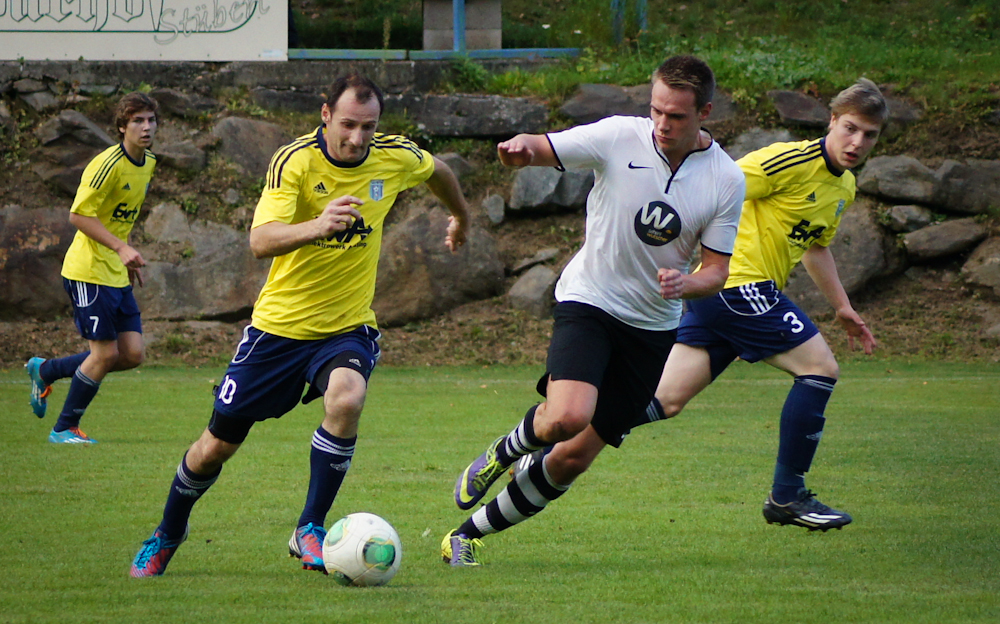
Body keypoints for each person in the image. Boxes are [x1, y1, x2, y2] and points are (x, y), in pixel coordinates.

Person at [129, 73, 470, 578]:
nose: (357, 137)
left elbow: (437, 169)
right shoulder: (295, 161)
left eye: (368, 127)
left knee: (347, 398)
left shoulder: (394, 157)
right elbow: (260, 240)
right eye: (348, 124)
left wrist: (461, 216)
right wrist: (318, 225)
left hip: (346, 327)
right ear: (326, 114)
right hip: (278, 331)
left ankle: (309, 526)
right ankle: (167, 533)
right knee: (214, 448)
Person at [516, 78, 887, 533]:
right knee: (821, 369)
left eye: (869, 135)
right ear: (831, 121)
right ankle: (787, 495)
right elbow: (715, 184)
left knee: (664, 399)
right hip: (738, 286)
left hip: (722, 298)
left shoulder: (843, 186)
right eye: (850, 128)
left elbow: (815, 246)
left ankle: (552, 443)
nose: (857, 142)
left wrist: (842, 307)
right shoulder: (790, 161)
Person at [443, 55, 745, 566]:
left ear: (705, 113)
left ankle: (465, 536)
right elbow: (547, 146)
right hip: (591, 301)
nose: (662, 124)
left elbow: (717, 270)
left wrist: (687, 283)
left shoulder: (726, 179)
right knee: (567, 416)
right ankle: (504, 451)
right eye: (656, 110)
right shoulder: (619, 136)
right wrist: (521, 151)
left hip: (651, 329)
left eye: (676, 116)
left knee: (572, 458)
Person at [25, 92, 159, 444]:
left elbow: (119, 217)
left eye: (151, 120)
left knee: (131, 354)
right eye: (137, 121)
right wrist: (120, 247)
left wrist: (125, 255)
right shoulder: (106, 164)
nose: (146, 127)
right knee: (104, 354)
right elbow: (79, 215)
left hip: (114, 271)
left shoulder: (148, 163)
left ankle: (46, 370)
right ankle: (64, 428)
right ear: (122, 127)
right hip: (88, 271)